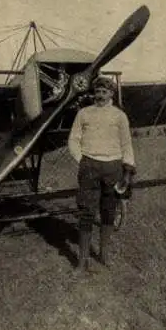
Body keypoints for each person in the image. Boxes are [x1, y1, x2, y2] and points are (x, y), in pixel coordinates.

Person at [68, 75, 136, 270]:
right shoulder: (83, 114)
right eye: (97, 91)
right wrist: (82, 160)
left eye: (104, 92)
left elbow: (126, 144)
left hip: (113, 168)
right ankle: (82, 261)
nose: (100, 95)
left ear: (111, 94)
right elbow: (73, 139)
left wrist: (128, 168)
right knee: (86, 213)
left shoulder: (119, 116)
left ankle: (103, 255)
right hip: (89, 167)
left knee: (108, 212)